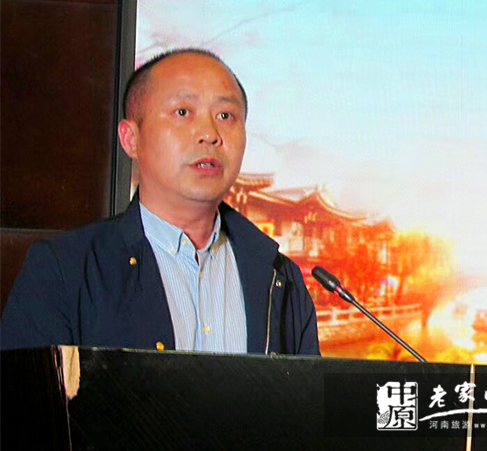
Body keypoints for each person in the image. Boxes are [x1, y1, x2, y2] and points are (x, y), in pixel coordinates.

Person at [1, 49, 320, 355]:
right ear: (131, 139)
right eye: (183, 112)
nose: (209, 133)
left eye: (225, 115)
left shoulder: (281, 278)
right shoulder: (64, 270)